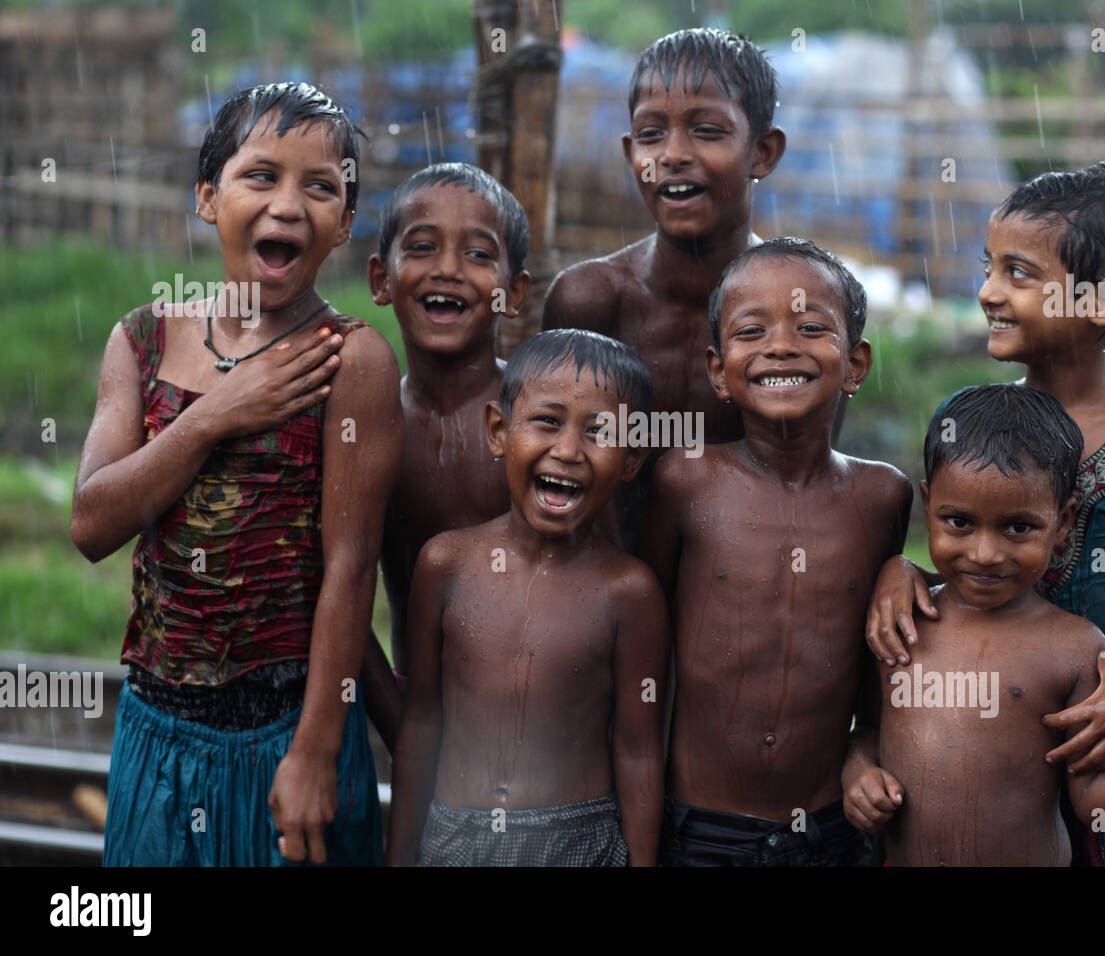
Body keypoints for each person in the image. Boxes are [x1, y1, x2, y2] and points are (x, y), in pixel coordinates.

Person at [863, 162, 1105, 866]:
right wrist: (901, 569)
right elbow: (966, 551)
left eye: (1017, 273)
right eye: (988, 268)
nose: (986, 292)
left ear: (1103, 301)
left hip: (1101, 742)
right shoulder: (983, 426)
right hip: (982, 739)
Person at [71, 82, 402, 866]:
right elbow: (92, 525)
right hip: (156, 727)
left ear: (347, 224)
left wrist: (316, 751)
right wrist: (217, 413)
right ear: (207, 197)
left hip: (286, 729)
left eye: (321, 187)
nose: (288, 205)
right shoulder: (143, 340)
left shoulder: (347, 360)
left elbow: (350, 573)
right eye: (262, 176)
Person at [850, 385, 1105, 866]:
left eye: (1017, 528)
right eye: (958, 521)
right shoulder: (902, 622)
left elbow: (1093, 805)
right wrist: (856, 771)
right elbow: (869, 728)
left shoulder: (1074, 647)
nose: (984, 553)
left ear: (1062, 523)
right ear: (927, 503)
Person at [644, 238, 910, 866]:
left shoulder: (881, 496)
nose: (782, 346)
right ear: (718, 370)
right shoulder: (684, 481)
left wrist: (864, 752)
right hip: (697, 831)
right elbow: (644, 652)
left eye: (812, 327)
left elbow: (880, 669)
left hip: (827, 832)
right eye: (752, 330)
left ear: (856, 363)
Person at [387, 329, 670, 867]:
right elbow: (422, 719)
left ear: (632, 458)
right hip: (455, 838)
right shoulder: (445, 565)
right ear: (499, 430)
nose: (567, 451)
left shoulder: (629, 593)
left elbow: (638, 749)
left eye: (599, 432)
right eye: (547, 421)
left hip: (577, 841)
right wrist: (399, 856)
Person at [544, 28, 789, 548]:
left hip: (741, 585)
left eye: (706, 130)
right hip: (602, 592)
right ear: (631, 153)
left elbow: (805, 484)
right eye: (652, 135)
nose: (673, 154)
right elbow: (555, 472)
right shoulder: (589, 301)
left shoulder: (799, 310)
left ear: (762, 152)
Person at [359, 163, 531, 746]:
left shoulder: (541, 427)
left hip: (542, 725)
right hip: (417, 715)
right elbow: (342, 591)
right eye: (424, 247)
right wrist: (402, 728)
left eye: (480, 255)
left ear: (516, 294)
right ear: (381, 279)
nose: (449, 270)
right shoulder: (370, 427)